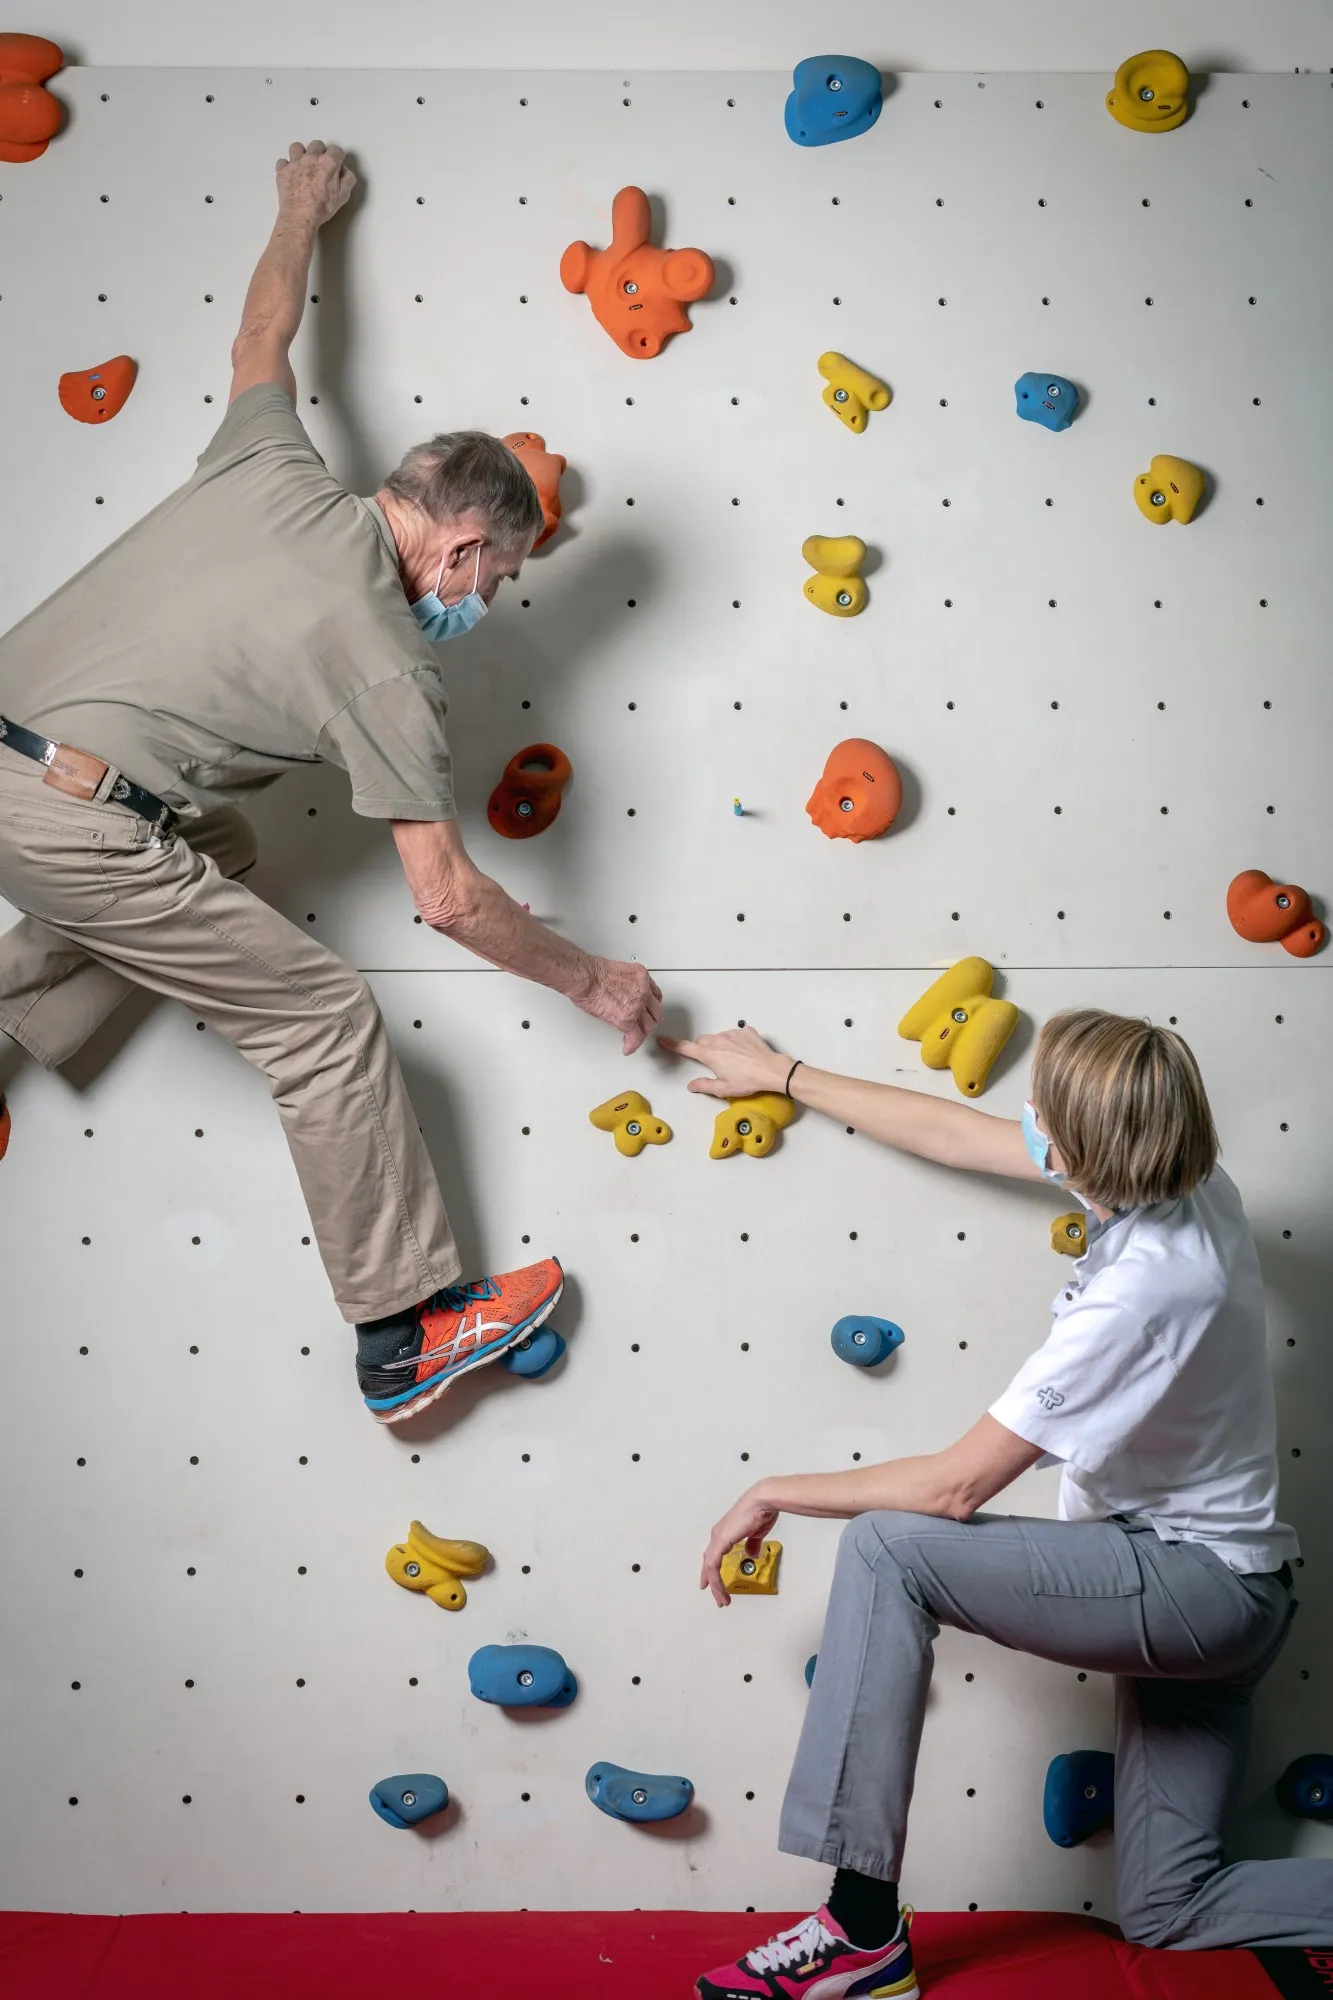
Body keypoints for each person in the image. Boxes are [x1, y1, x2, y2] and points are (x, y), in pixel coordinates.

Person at [0, 141, 661, 1423]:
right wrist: (594, 979)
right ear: (463, 541)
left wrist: (298, 207)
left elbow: (262, 339)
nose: (484, 605)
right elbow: (450, 900)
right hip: (64, 817)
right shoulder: (386, 666)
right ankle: (404, 1330)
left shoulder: (269, 467)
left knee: (220, 845)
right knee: (323, 1020)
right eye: (496, 583)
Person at [661, 1010, 1329, 2000]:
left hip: (1192, 1585)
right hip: (1229, 1590)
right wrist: (787, 1073)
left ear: (1082, 1146)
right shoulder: (1187, 1176)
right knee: (1167, 1906)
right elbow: (953, 1131)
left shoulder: (1145, 1289)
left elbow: (952, 1486)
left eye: (1041, 1113)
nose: (1024, 1121)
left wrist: (771, 1489)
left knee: (891, 1548)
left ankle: (859, 1931)